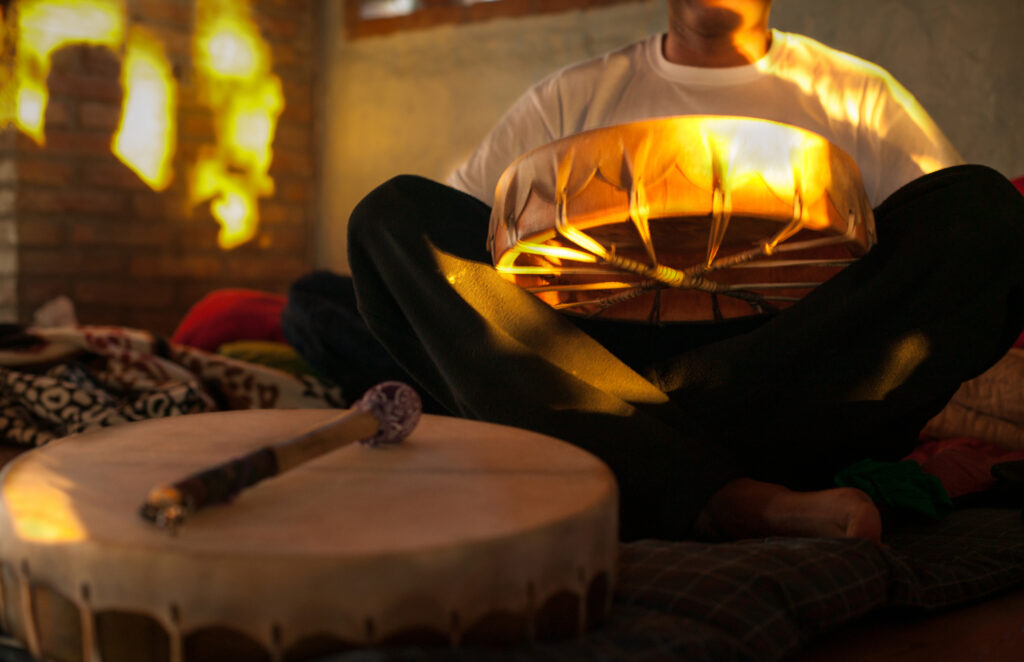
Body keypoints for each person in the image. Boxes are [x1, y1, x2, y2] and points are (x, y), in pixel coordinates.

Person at [310, 0, 1024, 543]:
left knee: (984, 209)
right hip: (590, 364)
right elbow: (457, 269)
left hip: (784, 382)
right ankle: (724, 490)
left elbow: (945, 262)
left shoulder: (859, 97)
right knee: (388, 219)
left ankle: (636, 450)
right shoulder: (571, 97)